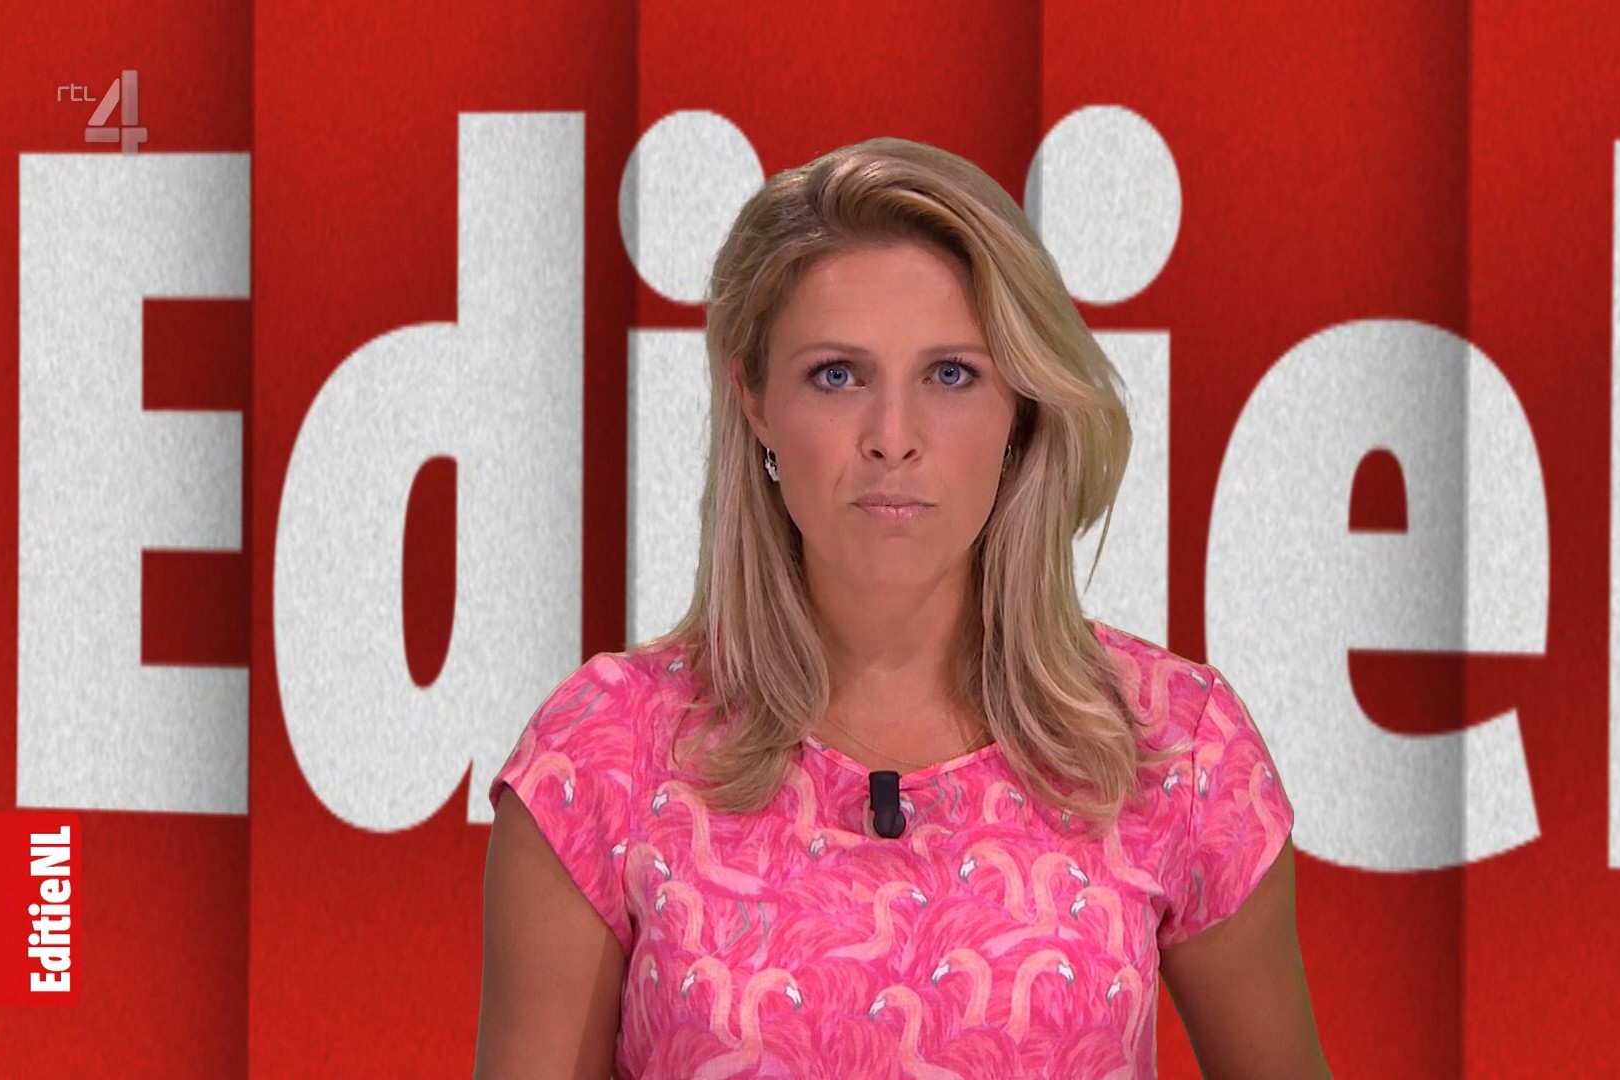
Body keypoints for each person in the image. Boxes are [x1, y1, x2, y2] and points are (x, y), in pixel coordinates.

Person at [475, 136, 1327, 1079]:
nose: (893, 437)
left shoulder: (1175, 748)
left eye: (950, 374)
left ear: (1021, 407)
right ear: (754, 398)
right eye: (837, 375)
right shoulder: (602, 759)